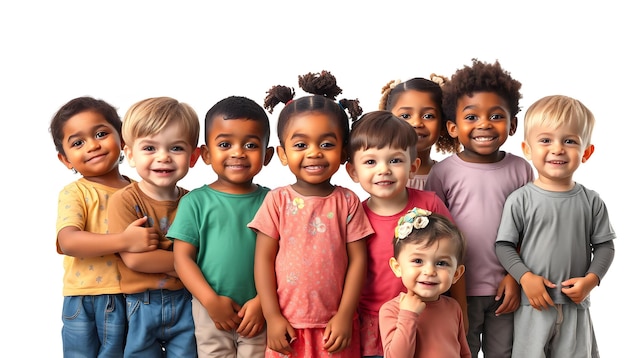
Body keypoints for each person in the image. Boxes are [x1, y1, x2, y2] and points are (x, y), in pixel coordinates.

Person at [249, 70, 374, 357]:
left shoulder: (347, 201)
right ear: (282, 154)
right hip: (288, 328)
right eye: (301, 145)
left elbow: (358, 262)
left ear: (344, 152)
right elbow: (263, 261)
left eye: (327, 144)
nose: (314, 153)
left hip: (335, 329)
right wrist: (273, 317)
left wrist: (345, 315)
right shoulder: (277, 200)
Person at [424, 58, 534, 358]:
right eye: (472, 117)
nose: (484, 124)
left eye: (496, 115)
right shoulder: (444, 173)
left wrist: (516, 277)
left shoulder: (520, 170)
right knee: (462, 351)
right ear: (453, 126)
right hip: (458, 289)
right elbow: (434, 234)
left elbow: (528, 230)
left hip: (505, 290)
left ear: (512, 125)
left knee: (504, 353)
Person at [495, 95, 616, 358]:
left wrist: (591, 281)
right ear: (527, 149)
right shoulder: (520, 199)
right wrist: (525, 278)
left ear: (586, 152)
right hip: (533, 306)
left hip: (576, 305)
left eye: (569, 141)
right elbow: (504, 245)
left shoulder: (591, 200)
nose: (558, 148)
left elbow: (605, 246)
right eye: (546, 140)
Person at [345, 110, 464, 358]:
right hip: (372, 320)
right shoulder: (354, 214)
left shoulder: (429, 204)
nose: (384, 170)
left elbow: (455, 255)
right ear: (353, 171)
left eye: (395, 161)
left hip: (430, 316)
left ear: (413, 167)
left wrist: (461, 311)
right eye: (370, 162)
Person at [50, 96, 159, 357]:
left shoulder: (141, 190)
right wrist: (125, 240)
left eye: (101, 133)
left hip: (136, 299)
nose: (93, 145)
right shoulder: (76, 193)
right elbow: (69, 242)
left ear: (122, 139)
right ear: (65, 159)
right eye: (78, 142)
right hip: (87, 299)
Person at [168, 96, 275, 357]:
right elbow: (182, 259)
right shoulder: (195, 202)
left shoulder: (275, 201)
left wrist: (263, 303)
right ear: (206, 154)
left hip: (259, 311)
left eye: (250, 144)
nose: (237, 152)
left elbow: (286, 260)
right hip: (210, 311)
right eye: (225, 144)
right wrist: (210, 301)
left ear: (267, 154)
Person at [107, 97, 201, 357]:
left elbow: (203, 253)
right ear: (130, 155)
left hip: (186, 302)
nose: (163, 157)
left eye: (176, 148)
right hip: (140, 304)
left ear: (193, 157)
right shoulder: (124, 200)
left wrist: (170, 261)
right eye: (149, 148)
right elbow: (135, 261)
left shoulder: (194, 202)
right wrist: (187, 265)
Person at [379, 208, 470, 357]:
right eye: (418, 261)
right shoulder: (391, 310)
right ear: (397, 267)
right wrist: (408, 315)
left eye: (441, 263)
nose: (429, 271)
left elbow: (464, 353)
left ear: (456, 274)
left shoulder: (453, 308)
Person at [379, 74, 460, 190]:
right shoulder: (381, 174)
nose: (417, 123)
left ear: (443, 125)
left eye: (428, 116)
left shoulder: (450, 177)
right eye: (405, 116)